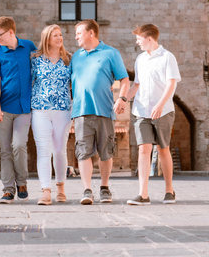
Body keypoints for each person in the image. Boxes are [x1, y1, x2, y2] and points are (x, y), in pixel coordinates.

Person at [71, 19, 130, 205]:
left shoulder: (111, 53)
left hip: (104, 110)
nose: (76, 37)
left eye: (79, 33)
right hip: (80, 111)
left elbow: (125, 79)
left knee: (106, 151)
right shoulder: (76, 56)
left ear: (91, 33)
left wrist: (122, 98)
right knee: (83, 151)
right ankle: (87, 190)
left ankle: (104, 187)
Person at [125, 24, 181, 205]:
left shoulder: (167, 57)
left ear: (149, 38)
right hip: (141, 111)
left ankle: (169, 190)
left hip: (163, 111)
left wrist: (160, 104)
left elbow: (171, 84)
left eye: (139, 38)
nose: (137, 42)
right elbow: (136, 85)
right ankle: (143, 194)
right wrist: (123, 99)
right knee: (143, 148)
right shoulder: (140, 59)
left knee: (163, 149)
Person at [0, 16, 37, 204]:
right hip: (5, 108)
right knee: (6, 150)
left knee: (19, 145)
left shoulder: (29, 47)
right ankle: (8, 190)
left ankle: (22, 183)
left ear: (11, 32)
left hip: (25, 108)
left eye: (0, 35)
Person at [30, 24, 72, 205]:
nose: (59, 38)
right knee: (43, 150)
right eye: (55, 35)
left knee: (59, 150)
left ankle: (60, 188)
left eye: (60, 34)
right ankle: (45, 191)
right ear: (47, 39)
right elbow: (29, 83)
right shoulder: (36, 60)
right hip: (40, 110)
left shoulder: (69, 60)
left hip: (63, 110)